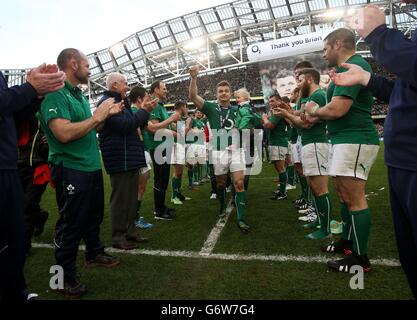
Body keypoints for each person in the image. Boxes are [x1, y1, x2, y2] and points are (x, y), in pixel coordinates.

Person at [330, 3, 417, 297]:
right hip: (403, 157)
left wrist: (378, 34)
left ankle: (359, 255)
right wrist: (368, 80)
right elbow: (405, 90)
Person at [39, 48, 123, 298]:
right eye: (87, 65)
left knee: (93, 216)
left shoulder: (77, 95)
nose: (89, 70)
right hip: (70, 168)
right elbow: (63, 133)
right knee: (71, 223)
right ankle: (62, 278)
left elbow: (88, 129)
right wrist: (98, 116)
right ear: (73, 64)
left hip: (89, 166)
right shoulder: (55, 95)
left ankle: (94, 252)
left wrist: (104, 117)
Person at [304, 29, 380, 272]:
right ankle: (348, 243)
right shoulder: (349, 68)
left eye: (325, 49)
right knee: (344, 194)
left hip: (355, 139)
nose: (323, 54)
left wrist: (314, 109)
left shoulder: (353, 65)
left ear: (337, 44)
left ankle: (360, 259)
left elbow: (337, 110)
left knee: (354, 198)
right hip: (344, 139)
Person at [0, 64, 65, 301]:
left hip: (8, 165)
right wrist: (30, 88)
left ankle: (16, 292)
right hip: (10, 165)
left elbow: (11, 115)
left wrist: (37, 95)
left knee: (14, 237)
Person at [98, 73, 156, 250]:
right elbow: (125, 126)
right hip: (120, 158)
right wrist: (144, 111)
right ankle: (118, 236)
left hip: (128, 158)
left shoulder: (120, 101)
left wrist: (144, 111)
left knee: (130, 199)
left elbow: (132, 123)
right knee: (121, 199)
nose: (127, 85)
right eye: (124, 82)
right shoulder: (108, 102)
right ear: (114, 85)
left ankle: (129, 231)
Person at [189, 66, 250, 232]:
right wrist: (194, 78)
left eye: (226, 91)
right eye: (220, 91)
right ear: (217, 94)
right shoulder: (210, 108)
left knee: (238, 182)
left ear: (231, 93)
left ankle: (241, 218)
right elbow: (193, 96)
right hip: (218, 151)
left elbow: (250, 126)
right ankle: (222, 206)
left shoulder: (239, 109)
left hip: (236, 151)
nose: (223, 93)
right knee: (221, 183)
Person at [275, 68, 331, 239]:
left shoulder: (318, 96)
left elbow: (305, 123)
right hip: (309, 143)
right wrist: (288, 111)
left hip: (316, 143)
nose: (297, 84)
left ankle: (326, 229)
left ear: (308, 80)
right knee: (314, 186)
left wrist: (286, 114)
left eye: (299, 80)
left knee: (320, 188)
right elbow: (299, 115)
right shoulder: (311, 97)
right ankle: (319, 221)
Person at [16, 113, 50, 256]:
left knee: (27, 206)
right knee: (23, 205)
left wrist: (51, 139)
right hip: (17, 167)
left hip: (38, 168)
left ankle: (24, 245)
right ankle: (40, 216)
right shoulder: (17, 116)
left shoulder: (44, 112)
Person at [146, 81, 181, 220]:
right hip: (159, 147)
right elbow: (156, 129)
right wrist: (175, 133)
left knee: (163, 178)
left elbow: (166, 126)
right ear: (156, 90)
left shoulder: (160, 105)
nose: (166, 91)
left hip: (163, 146)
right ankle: (158, 210)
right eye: (164, 88)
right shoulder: (154, 105)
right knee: (160, 179)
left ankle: (161, 206)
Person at [130, 86, 154, 229]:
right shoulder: (135, 112)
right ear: (139, 99)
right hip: (139, 153)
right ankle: (134, 217)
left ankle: (134, 216)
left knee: (140, 187)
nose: (149, 99)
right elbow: (141, 133)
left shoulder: (135, 112)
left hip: (141, 152)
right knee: (139, 187)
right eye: (146, 97)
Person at [262, 94, 290, 200]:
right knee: (280, 168)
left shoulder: (278, 112)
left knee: (281, 168)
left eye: (273, 101)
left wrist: (265, 118)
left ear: (279, 101)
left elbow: (269, 125)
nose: (271, 103)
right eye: (270, 101)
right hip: (278, 142)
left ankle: (283, 192)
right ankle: (282, 190)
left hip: (278, 142)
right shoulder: (278, 111)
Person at [170, 101, 192, 205]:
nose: (186, 109)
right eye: (186, 107)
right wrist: (187, 124)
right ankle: (174, 196)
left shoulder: (178, 117)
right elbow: (183, 133)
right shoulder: (175, 116)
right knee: (177, 172)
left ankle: (178, 194)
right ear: (182, 107)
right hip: (175, 145)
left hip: (180, 145)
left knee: (180, 172)